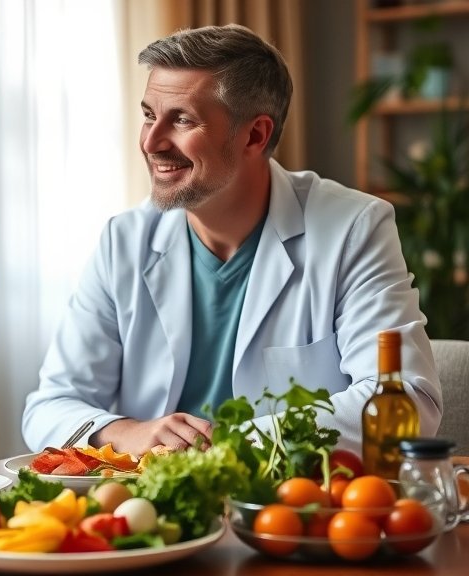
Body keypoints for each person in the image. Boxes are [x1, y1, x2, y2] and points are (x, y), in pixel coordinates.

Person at [22, 24, 441, 459]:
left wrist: (225, 446)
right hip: (157, 514)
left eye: (182, 119)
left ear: (256, 135)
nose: (151, 141)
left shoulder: (353, 228)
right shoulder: (124, 241)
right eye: (149, 114)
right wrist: (126, 433)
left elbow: (409, 402)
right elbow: (48, 406)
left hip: (291, 508)